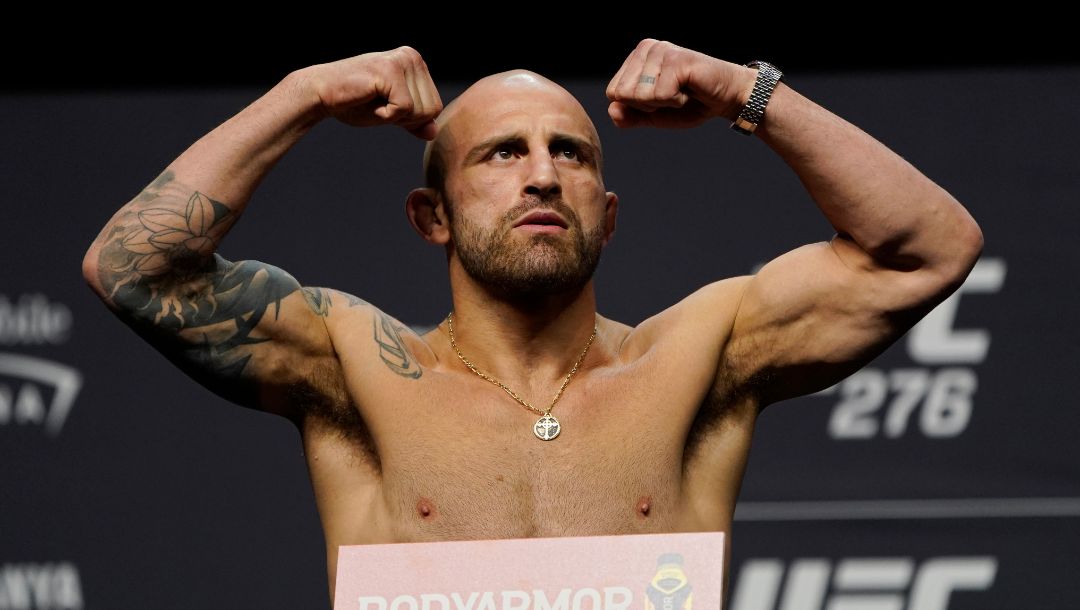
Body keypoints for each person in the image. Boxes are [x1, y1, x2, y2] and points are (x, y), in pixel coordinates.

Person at [81, 40, 982, 600]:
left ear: (609, 211)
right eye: (503, 153)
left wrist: (744, 91)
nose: (543, 175)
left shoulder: (699, 356)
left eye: (572, 154)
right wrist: (303, 93)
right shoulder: (351, 365)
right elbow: (130, 268)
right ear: (430, 216)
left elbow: (926, 249)